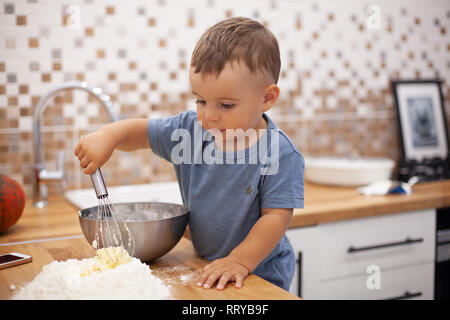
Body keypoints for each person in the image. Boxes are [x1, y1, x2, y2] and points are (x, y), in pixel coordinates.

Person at [74, 17, 304, 291]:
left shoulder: (279, 153)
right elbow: (142, 133)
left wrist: (239, 262)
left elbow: (275, 218)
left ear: (267, 98)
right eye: (201, 100)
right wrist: (109, 136)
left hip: (259, 274)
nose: (209, 116)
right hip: (206, 263)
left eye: (226, 105)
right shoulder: (190, 130)